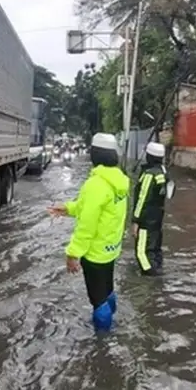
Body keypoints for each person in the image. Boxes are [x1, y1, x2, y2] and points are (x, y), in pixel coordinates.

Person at [49, 133, 130, 330]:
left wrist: (73, 253)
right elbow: (90, 208)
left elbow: (87, 225)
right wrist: (67, 208)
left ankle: (102, 339)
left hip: (95, 254)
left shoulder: (96, 184)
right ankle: (112, 325)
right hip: (111, 249)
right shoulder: (118, 180)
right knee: (107, 290)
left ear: (94, 154)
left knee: (98, 300)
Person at [132, 142, 170, 276]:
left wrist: (135, 220)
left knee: (141, 252)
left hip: (146, 220)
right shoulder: (163, 172)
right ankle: (158, 268)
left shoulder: (149, 175)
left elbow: (142, 199)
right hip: (157, 218)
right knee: (155, 247)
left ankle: (151, 274)